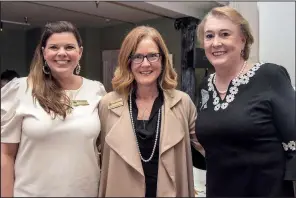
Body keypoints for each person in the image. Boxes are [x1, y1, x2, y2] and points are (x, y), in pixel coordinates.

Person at [195, 6, 296, 197]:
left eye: (224, 34)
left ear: (243, 40)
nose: (216, 43)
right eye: (209, 36)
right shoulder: (205, 86)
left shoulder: (270, 76)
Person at [1, 21, 106, 197]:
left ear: (80, 52)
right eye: (54, 47)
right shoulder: (20, 89)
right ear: (44, 52)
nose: (62, 53)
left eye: (69, 47)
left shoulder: (96, 90)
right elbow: (5, 155)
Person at [98, 26, 204, 197]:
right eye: (138, 57)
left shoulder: (182, 102)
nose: (145, 64)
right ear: (128, 61)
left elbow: (209, 146)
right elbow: (96, 158)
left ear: (162, 60)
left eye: (153, 56)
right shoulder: (107, 104)